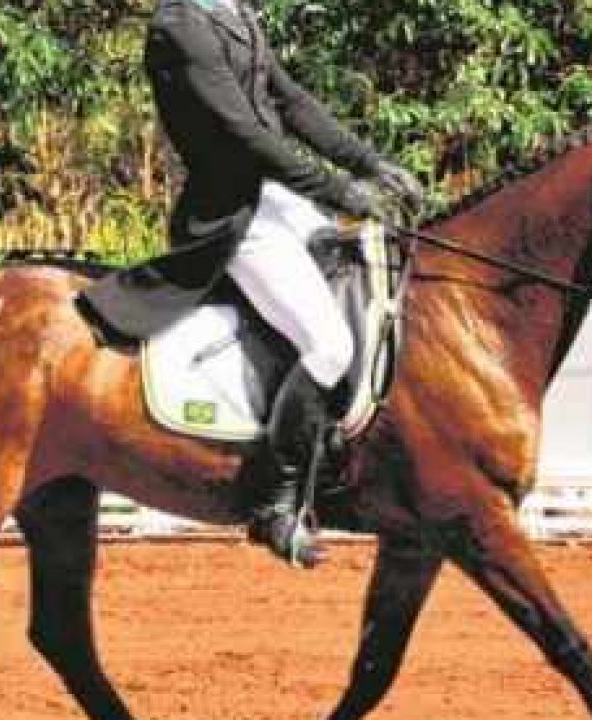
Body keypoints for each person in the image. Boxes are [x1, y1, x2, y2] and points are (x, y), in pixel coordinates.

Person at [77, 0, 423, 567]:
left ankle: (354, 457)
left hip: (280, 203)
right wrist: (337, 190)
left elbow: (291, 101)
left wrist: (369, 163)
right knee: (329, 345)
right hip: (234, 218)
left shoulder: (233, 10)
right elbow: (241, 132)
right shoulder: (181, 25)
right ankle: (274, 504)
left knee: (372, 278)